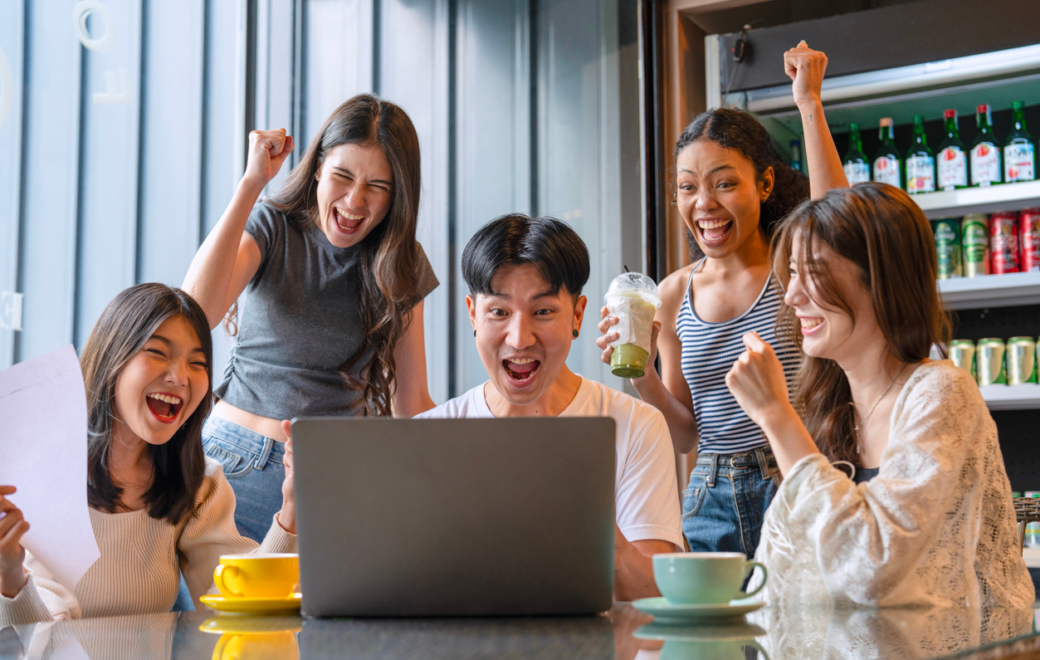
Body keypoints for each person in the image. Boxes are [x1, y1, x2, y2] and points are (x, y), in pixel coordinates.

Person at [726, 183, 1034, 609]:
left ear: (881, 279)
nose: (793, 296)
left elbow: (871, 567)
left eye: (812, 271)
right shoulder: (828, 410)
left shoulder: (941, 393)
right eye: (792, 273)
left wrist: (775, 415)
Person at [597, 42, 848, 556]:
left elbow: (836, 219)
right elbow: (687, 433)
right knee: (718, 638)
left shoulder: (792, 267)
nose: (704, 203)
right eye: (688, 187)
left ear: (764, 183)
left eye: (724, 183)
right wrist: (640, 373)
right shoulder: (671, 294)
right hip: (709, 495)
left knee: (800, 633)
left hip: (795, 476)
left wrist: (809, 104)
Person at [182, 94, 439, 542]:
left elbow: (412, 403)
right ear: (318, 168)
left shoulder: (403, 263)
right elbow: (194, 314)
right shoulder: (274, 227)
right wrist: (250, 185)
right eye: (343, 176)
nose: (354, 201)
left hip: (339, 480)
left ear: (397, 195)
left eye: (377, 186)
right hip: (241, 462)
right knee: (229, 613)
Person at [418, 214, 684, 602]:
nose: (520, 338)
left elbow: (658, 595)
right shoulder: (429, 435)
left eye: (543, 312)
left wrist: (599, 534)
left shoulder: (636, 426)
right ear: (473, 314)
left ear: (577, 315)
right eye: (499, 312)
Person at [0, 284, 298, 626]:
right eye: (157, 352)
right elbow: (41, 639)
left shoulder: (197, 484)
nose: (180, 377)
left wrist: (291, 508)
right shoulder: (27, 480)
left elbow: (243, 607)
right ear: (113, 359)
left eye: (197, 362)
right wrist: (10, 575)